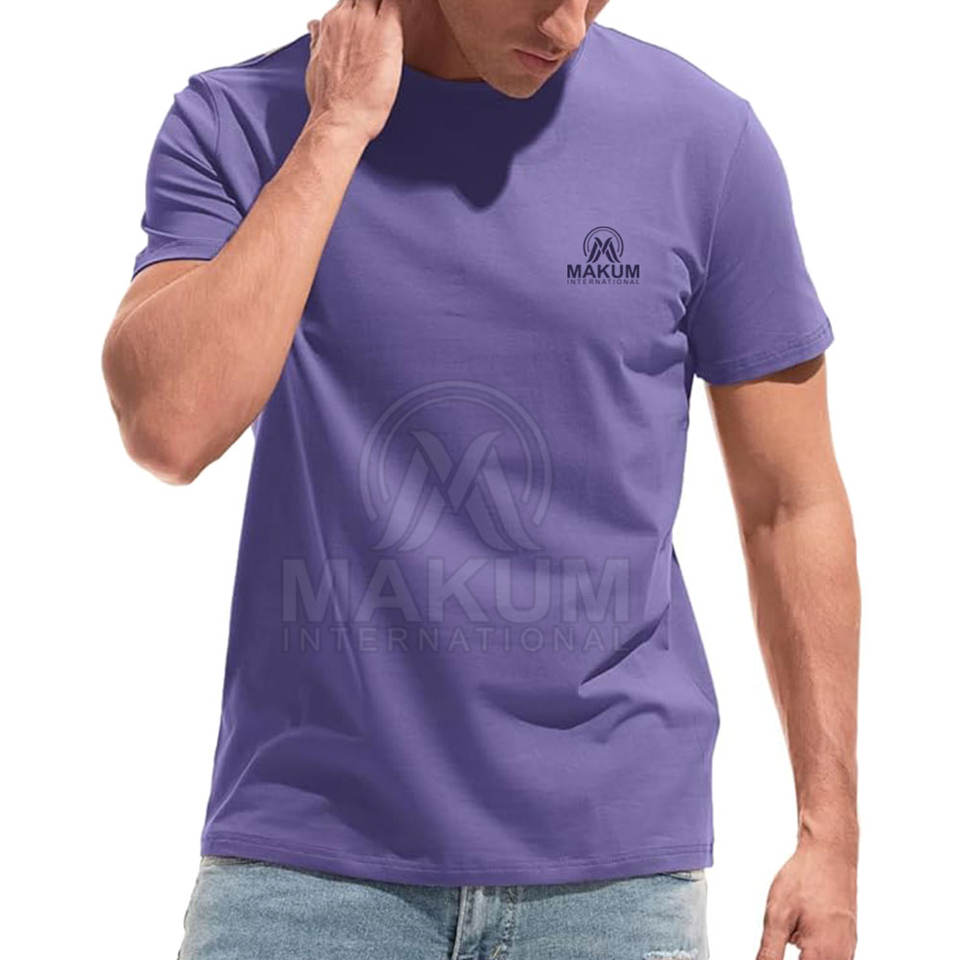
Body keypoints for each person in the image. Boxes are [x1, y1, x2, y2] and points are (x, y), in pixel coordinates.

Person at [102, 1, 860, 958]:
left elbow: (792, 503)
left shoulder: (701, 140)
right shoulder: (242, 120)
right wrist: (336, 130)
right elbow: (168, 428)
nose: (568, 25)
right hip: (306, 867)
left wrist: (830, 837)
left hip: (611, 880)